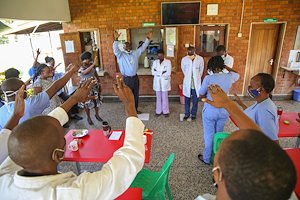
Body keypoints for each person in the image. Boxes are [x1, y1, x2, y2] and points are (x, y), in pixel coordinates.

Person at [0, 77, 146, 200]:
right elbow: (129, 158)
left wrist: (74, 98)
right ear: (58, 154)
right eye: (63, 138)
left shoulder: (5, 178)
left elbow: (43, 126)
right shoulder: (73, 192)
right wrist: (130, 105)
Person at [195, 85, 297, 200]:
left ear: (217, 174)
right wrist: (227, 104)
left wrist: (227, 104)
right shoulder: (283, 190)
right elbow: (261, 142)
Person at [0, 64, 79, 129]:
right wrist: (72, 71)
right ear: (21, 91)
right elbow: (55, 87)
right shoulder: (30, 104)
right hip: (40, 133)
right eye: (25, 89)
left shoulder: (2, 111)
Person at [198, 56, 239, 165]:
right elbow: (237, 74)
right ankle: (218, 157)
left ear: (211, 66)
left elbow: (201, 94)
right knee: (219, 134)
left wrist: (205, 96)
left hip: (210, 110)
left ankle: (206, 158)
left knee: (209, 135)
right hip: (224, 110)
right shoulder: (229, 76)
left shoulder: (208, 78)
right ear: (222, 66)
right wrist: (225, 67)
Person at [113, 30, 153, 113]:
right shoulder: (120, 55)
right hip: (126, 79)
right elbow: (115, 49)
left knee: (135, 95)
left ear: (131, 46)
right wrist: (116, 39)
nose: (128, 47)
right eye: (126, 46)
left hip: (135, 78)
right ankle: (128, 110)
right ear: (123, 47)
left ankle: (135, 109)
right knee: (127, 95)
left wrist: (148, 38)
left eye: (129, 46)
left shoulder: (135, 53)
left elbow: (142, 47)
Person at [234, 73, 279, 142]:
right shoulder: (262, 102)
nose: (249, 88)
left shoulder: (265, 111)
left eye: (251, 86)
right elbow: (253, 114)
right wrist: (241, 104)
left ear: (262, 89)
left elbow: (273, 140)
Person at [79, 51, 103, 125]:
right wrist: (93, 64)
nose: (90, 60)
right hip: (86, 88)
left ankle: (97, 114)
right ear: (84, 60)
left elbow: (95, 74)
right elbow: (85, 72)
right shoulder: (81, 68)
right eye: (89, 59)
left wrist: (99, 83)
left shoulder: (92, 66)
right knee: (87, 103)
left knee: (96, 101)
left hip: (94, 87)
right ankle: (88, 117)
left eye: (90, 59)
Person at [181, 46, 204, 120]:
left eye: (191, 53)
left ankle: (193, 114)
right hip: (188, 82)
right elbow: (183, 70)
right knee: (186, 99)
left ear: (194, 51)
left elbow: (201, 70)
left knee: (195, 100)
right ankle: (186, 113)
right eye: (188, 53)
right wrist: (189, 76)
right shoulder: (184, 59)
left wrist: (196, 77)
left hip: (196, 83)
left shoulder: (200, 59)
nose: (190, 55)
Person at [151, 49, 171, 117]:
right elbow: (153, 72)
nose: (160, 57)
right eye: (158, 56)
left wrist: (158, 72)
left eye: (161, 56)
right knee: (158, 97)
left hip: (164, 82)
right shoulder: (155, 62)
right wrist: (162, 72)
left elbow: (168, 72)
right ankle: (158, 111)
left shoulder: (168, 62)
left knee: (165, 97)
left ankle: (166, 111)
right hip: (157, 82)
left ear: (163, 55)